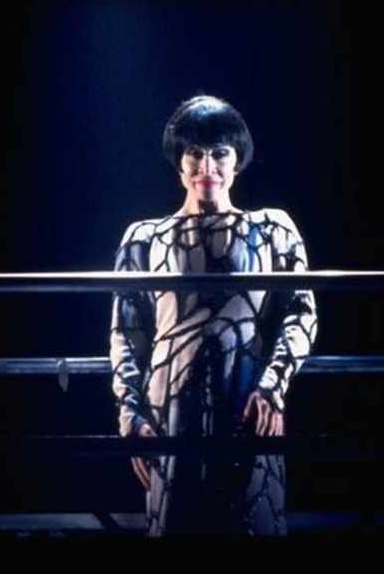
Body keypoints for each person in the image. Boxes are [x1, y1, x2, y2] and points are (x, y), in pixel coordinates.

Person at [109, 95, 318, 536]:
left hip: (248, 403)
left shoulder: (272, 228)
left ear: (237, 159)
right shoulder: (144, 237)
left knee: (253, 525)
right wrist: (131, 416)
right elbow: (127, 334)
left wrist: (272, 385)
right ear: (179, 161)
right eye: (195, 152)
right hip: (170, 410)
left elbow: (300, 312)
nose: (208, 165)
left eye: (220, 152)